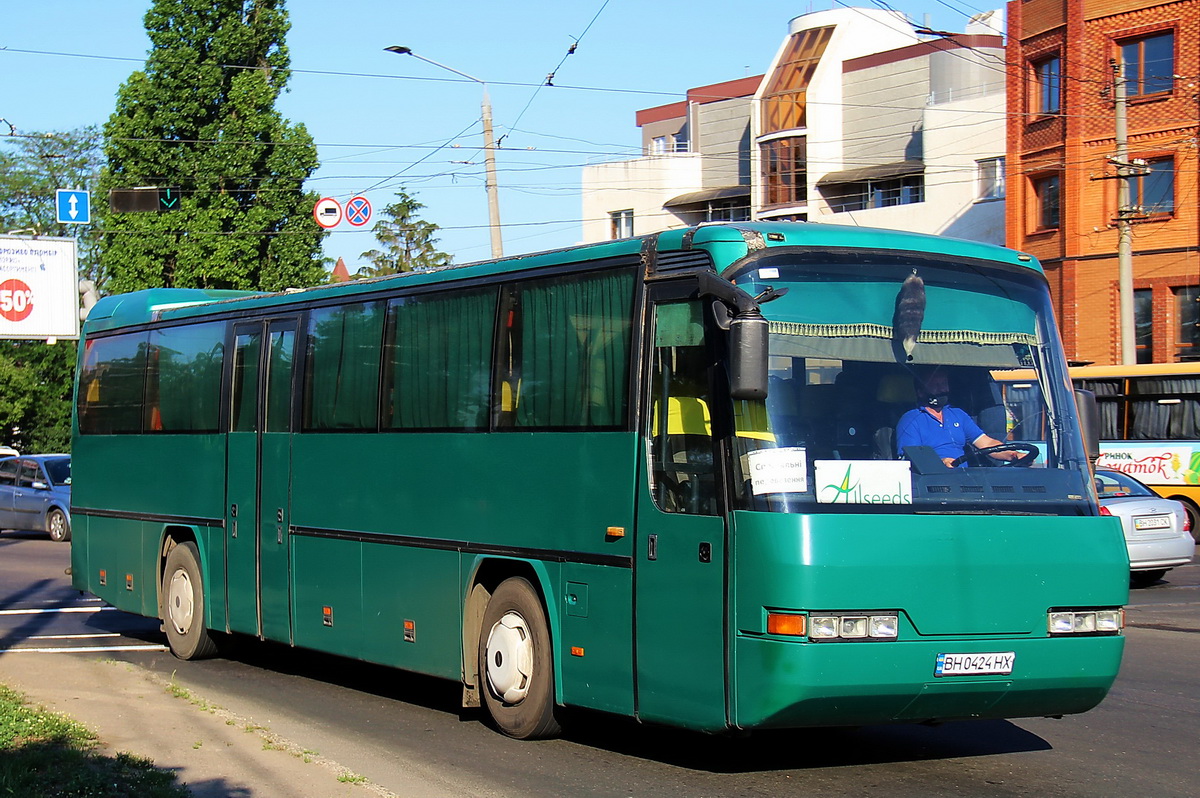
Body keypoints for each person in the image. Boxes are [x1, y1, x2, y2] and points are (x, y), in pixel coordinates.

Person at [895, 370, 1019, 467]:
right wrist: (941, 462)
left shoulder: (958, 415)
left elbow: (986, 443)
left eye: (944, 384)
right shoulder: (910, 420)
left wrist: (1012, 455)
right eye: (935, 385)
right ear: (920, 392)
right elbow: (910, 458)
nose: (942, 389)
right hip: (931, 485)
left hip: (964, 482)